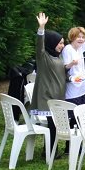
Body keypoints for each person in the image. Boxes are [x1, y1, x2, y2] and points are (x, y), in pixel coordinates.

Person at [32, 12, 67, 150]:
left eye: (63, 43)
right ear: (52, 43)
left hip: (58, 96)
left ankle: (51, 149)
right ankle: (51, 150)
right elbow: (39, 45)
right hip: (47, 97)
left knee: (56, 124)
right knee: (53, 124)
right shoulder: (43, 56)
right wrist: (41, 29)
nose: (62, 45)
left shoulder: (57, 57)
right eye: (60, 43)